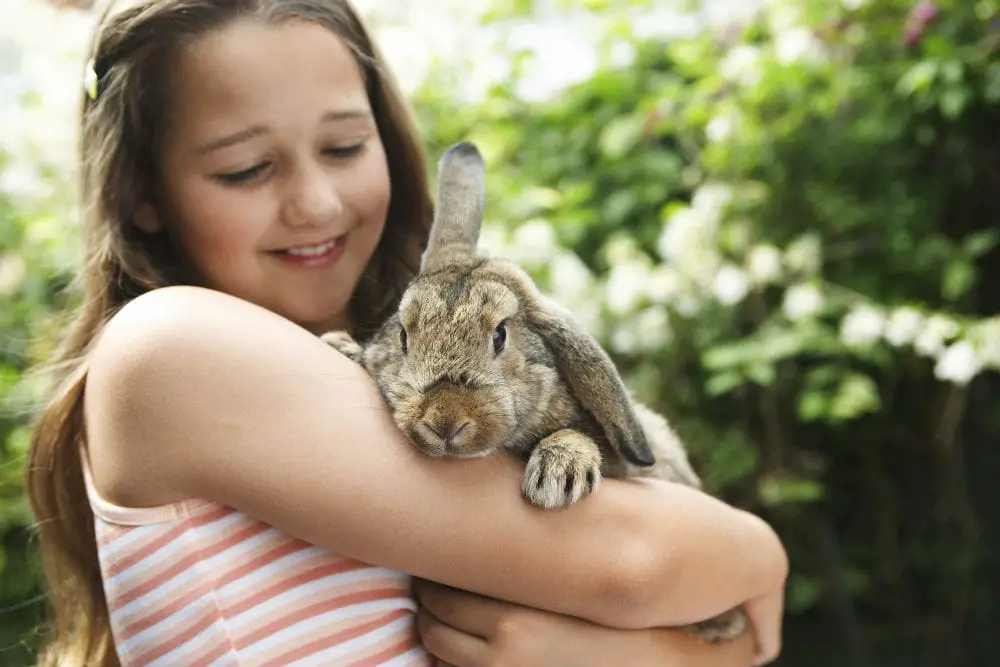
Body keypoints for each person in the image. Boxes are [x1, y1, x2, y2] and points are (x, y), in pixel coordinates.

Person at [25, 0, 789, 665]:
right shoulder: (170, 349)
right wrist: (762, 553)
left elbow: (739, 641)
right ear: (142, 191)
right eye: (246, 169)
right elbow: (638, 563)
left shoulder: (386, 360)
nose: (318, 204)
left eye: (344, 147)